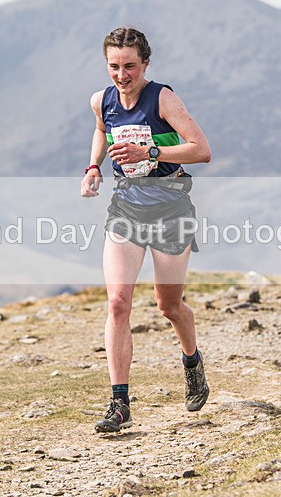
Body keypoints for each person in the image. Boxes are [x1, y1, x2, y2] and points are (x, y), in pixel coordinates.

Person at [80, 27, 212, 433]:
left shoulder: (162, 99)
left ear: (146, 63)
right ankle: (119, 403)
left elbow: (201, 150)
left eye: (130, 66)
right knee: (118, 303)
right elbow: (102, 130)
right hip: (127, 207)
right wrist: (94, 167)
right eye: (114, 66)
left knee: (169, 307)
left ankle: (192, 362)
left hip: (171, 208)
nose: (122, 75)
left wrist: (150, 152)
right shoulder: (102, 101)